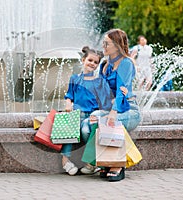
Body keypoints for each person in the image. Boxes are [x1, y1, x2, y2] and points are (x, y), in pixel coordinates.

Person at [81, 29, 141, 181]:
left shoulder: (126, 63)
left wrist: (113, 112)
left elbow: (123, 91)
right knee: (87, 125)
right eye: (104, 42)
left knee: (109, 122)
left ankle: (118, 165)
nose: (104, 46)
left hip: (129, 110)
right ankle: (104, 162)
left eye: (107, 43)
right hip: (110, 109)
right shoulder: (104, 65)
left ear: (117, 45)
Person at [61, 46, 115, 176]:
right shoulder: (75, 78)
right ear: (83, 60)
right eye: (90, 60)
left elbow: (106, 100)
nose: (92, 63)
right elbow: (69, 95)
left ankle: (92, 162)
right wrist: (68, 104)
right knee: (69, 129)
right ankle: (65, 160)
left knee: (86, 130)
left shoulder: (99, 81)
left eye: (96, 62)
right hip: (77, 114)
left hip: (92, 115)